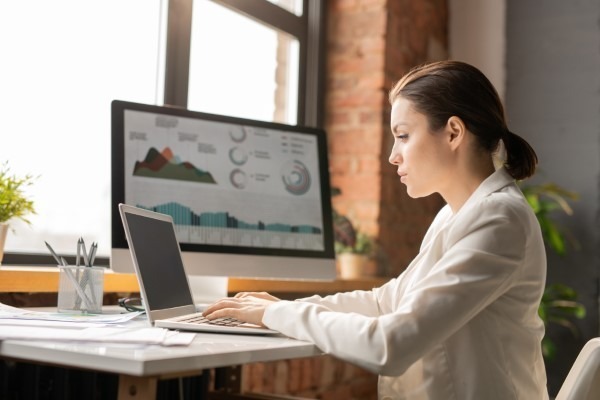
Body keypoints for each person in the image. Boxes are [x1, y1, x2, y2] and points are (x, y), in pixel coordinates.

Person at [203, 60, 548, 400]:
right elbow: (385, 302)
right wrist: (280, 308)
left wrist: (278, 314)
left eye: (403, 136)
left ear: (454, 133)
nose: (393, 156)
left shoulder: (500, 219)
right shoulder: (455, 215)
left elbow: (391, 344)